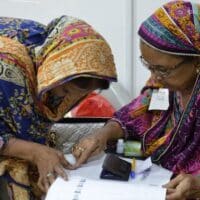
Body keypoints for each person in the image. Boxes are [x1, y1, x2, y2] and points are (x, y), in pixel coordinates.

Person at [72, 1, 200, 199]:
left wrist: (197, 183)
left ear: (196, 60)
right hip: (154, 172)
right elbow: (134, 115)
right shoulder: (164, 84)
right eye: (149, 66)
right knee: (112, 149)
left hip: (186, 186)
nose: (155, 77)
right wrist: (101, 135)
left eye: (162, 69)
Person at [0, 16, 117, 199]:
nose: (67, 99)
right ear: (54, 72)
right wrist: (34, 151)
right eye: (65, 90)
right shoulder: (7, 66)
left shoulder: (51, 49)